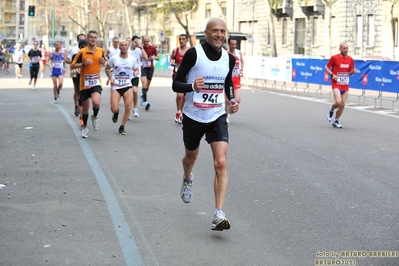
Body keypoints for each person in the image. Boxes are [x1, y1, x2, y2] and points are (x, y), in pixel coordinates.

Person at [172, 18, 239, 231]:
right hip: (193, 116)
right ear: (206, 33)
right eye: (215, 31)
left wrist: (232, 99)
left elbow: (227, 82)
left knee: (220, 162)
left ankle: (218, 214)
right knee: (191, 157)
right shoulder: (194, 54)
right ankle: (188, 177)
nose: (219, 34)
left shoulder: (229, 58)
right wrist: (191, 85)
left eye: (222, 31)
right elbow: (176, 84)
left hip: (217, 115)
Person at [71, 30, 108, 138]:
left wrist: (104, 62)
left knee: (96, 102)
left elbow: (106, 63)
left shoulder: (100, 51)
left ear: (97, 39)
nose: (93, 39)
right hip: (84, 83)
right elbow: (73, 65)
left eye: (95, 37)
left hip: (96, 82)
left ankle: (95, 117)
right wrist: (83, 64)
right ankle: (85, 127)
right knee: (86, 107)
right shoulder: (82, 52)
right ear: (87, 39)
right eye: (91, 37)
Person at [105, 40, 139, 135]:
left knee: (128, 107)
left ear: (128, 47)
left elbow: (136, 69)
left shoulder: (132, 59)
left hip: (127, 85)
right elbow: (107, 68)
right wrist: (110, 77)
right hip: (116, 86)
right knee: (114, 108)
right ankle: (116, 113)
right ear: (119, 47)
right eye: (122, 45)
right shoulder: (114, 58)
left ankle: (122, 126)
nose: (124, 47)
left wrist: (136, 73)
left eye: (125, 45)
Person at [325, 42, 355, 128]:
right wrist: (332, 75)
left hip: (345, 84)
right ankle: (331, 109)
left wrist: (353, 71)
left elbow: (350, 72)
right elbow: (326, 67)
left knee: (343, 104)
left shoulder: (350, 59)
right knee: (338, 102)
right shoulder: (334, 58)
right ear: (340, 49)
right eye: (344, 48)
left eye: (347, 48)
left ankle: (336, 120)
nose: (346, 50)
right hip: (336, 83)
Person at [170, 34, 190, 124]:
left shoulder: (190, 51)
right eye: (180, 39)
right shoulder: (175, 50)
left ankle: (181, 112)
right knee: (179, 95)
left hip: (187, 76)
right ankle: (178, 111)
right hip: (177, 75)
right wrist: (172, 62)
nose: (181, 41)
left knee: (185, 97)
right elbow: (171, 58)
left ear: (187, 40)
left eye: (183, 39)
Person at [66, 33, 86, 117]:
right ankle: (76, 106)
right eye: (80, 39)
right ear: (77, 40)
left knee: (84, 91)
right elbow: (67, 60)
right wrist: (75, 63)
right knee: (76, 91)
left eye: (83, 39)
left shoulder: (87, 49)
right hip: (75, 71)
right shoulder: (73, 50)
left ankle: (82, 106)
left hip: (85, 72)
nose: (82, 40)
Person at [128, 35, 148, 119]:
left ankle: (135, 108)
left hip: (135, 74)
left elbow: (145, 57)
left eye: (138, 42)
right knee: (128, 94)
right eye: (135, 42)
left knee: (135, 91)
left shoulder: (139, 50)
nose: (136, 44)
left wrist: (141, 48)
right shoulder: (127, 50)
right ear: (131, 41)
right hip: (126, 74)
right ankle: (128, 110)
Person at [226, 36, 244, 124]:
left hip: (236, 79)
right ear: (229, 44)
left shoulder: (238, 53)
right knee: (227, 99)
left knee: (237, 100)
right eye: (232, 44)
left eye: (235, 44)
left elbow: (242, 61)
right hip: (228, 79)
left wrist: (241, 70)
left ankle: (229, 112)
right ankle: (226, 115)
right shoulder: (225, 53)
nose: (233, 46)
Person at [141, 36, 159, 111]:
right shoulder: (140, 48)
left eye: (147, 41)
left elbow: (158, 57)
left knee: (147, 85)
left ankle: (143, 95)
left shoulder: (152, 48)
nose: (146, 43)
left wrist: (154, 58)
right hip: (142, 68)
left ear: (149, 41)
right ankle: (145, 101)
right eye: (144, 41)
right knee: (144, 84)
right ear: (142, 41)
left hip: (150, 68)